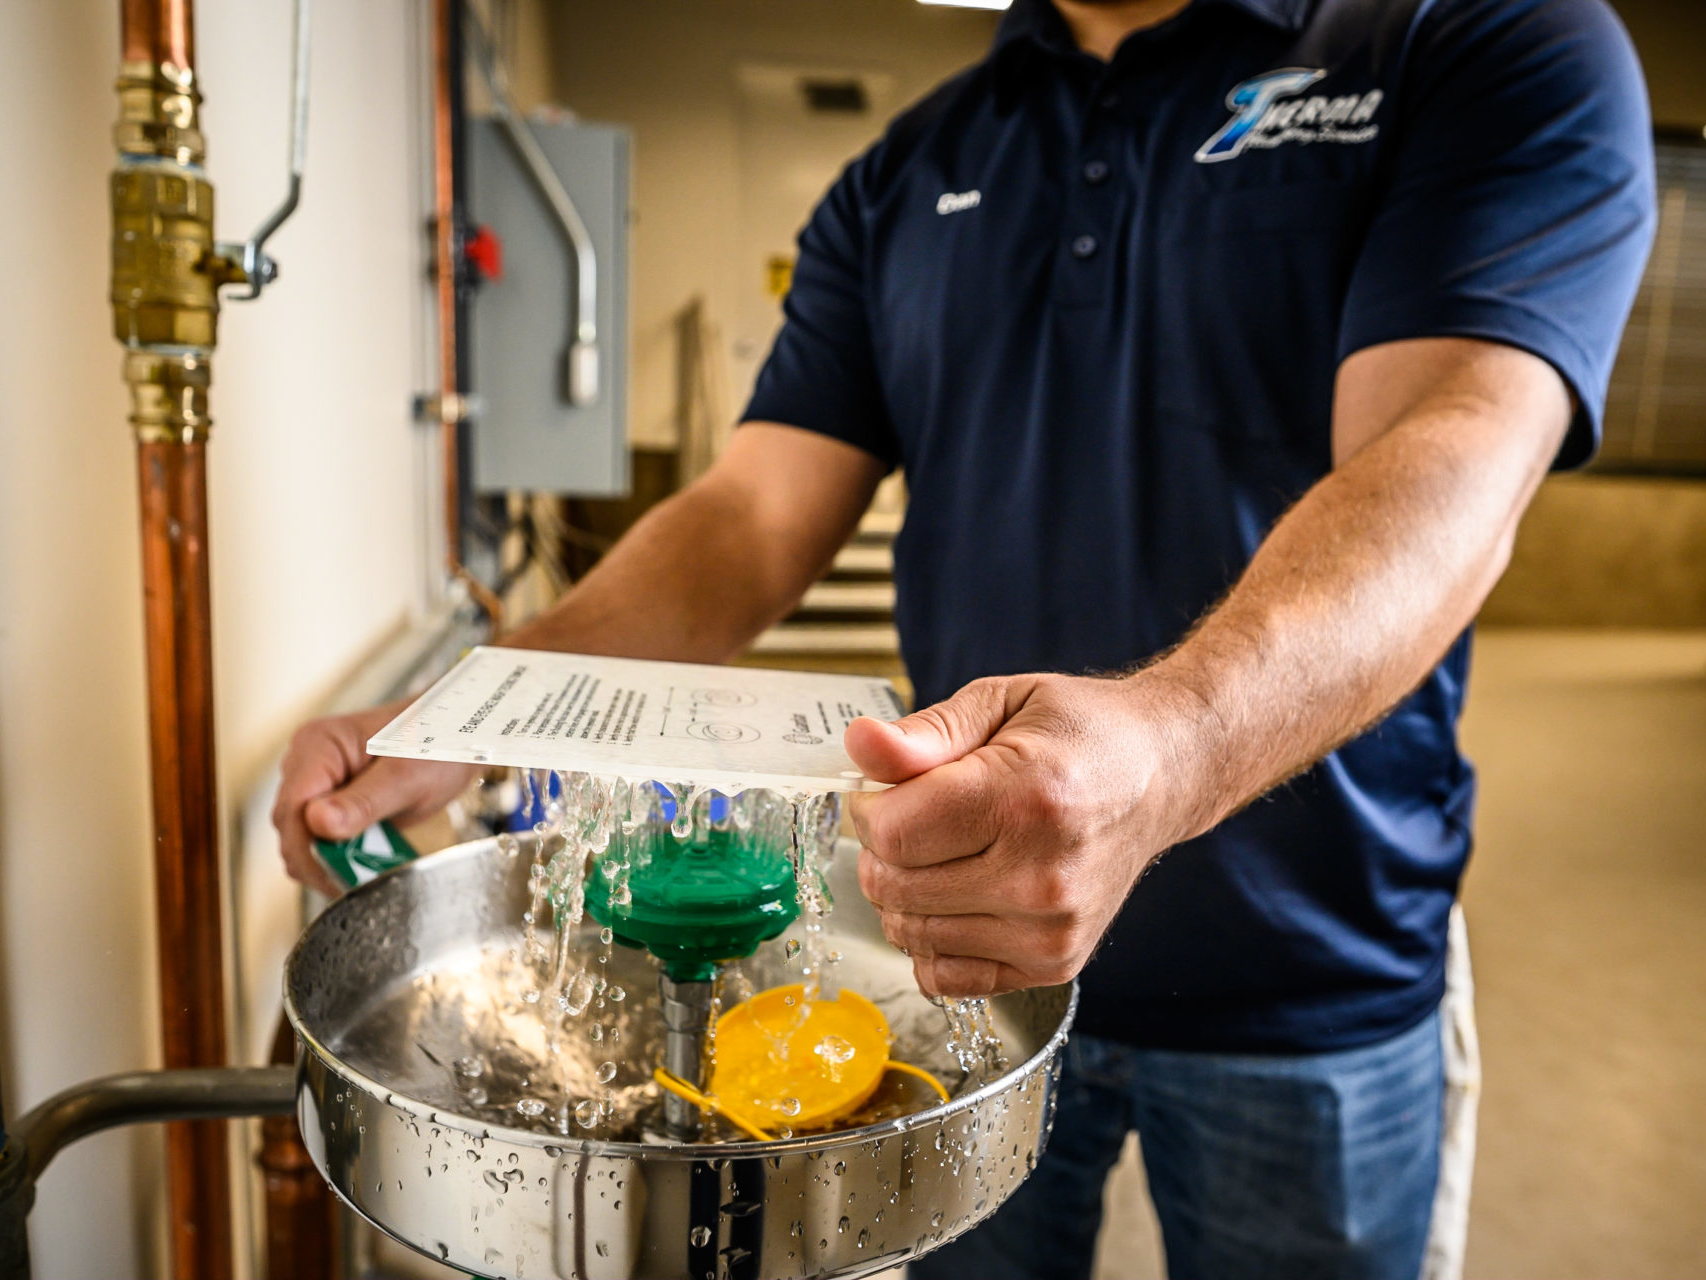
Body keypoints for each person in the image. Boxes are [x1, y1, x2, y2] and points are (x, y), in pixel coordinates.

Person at [274, 0, 1655, 1275]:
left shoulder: (1479, 40)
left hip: (1310, 978)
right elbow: (753, 513)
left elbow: (1453, 455)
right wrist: (483, 705)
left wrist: (1167, 755)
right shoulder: (910, 167)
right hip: (957, 967)